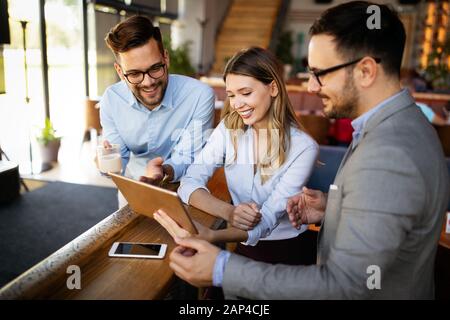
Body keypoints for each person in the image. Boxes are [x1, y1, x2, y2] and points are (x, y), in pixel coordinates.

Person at [155, 1, 449, 299]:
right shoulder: (396, 126)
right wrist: (330, 208)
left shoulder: (389, 152)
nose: (310, 87)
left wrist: (220, 269)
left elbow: (346, 284)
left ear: (365, 71)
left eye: (319, 73)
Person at [155, 47, 319, 271]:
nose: (237, 104)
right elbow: (189, 183)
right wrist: (229, 211)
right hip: (240, 246)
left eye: (245, 92)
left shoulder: (304, 148)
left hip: (286, 251)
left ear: (272, 88)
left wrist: (213, 235)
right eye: (231, 95)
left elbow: (267, 220)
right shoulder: (228, 129)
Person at [99, 15, 215, 203]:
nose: (148, 82)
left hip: (184, 193)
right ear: (120, 72)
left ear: (166, 59)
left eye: (155, 68)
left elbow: (188, 156)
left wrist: (163, 171)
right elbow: (117, 161)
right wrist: (106, 162)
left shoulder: (199, 95)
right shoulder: (111, 100)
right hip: (132, 195)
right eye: (135, 73)